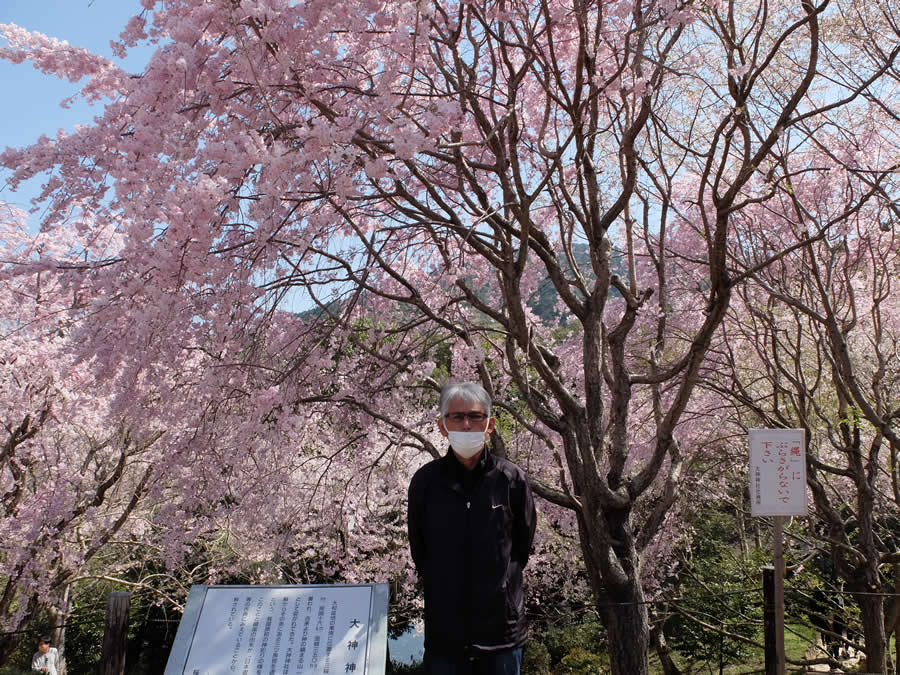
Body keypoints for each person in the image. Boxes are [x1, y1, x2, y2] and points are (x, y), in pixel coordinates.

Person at [408, 382, 537, 675]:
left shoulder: (511, 480)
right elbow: (420, 550)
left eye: (475, 416)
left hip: (500, 633)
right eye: (456, 417)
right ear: (442, 426)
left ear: (490, 424)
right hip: (445, 633)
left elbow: (522, 546)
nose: (466, 424)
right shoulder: (425, 483)